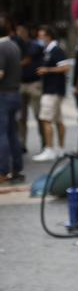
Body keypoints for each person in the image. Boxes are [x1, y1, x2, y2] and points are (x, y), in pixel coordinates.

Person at [33, 26, 70, 162]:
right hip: (52, 89)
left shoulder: (56, 50)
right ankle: (60, 148)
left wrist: (47, 70)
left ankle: (50, 148)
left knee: (45, 119)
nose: (40, 38)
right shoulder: (47, 50)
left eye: (42, 35)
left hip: (52, 90)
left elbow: (65, 67)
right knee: (58, 119)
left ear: (49, 36)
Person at [0, 21, 24, 183]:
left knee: (1, 134)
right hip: (14, 93)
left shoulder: (1, 47)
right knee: (12, 133)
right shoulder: (14, 45)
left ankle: (2, 171)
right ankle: (16, 168)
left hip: (3, 95)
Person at [15, 24, 44, 153]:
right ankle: (21, 143)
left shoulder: (34, 45)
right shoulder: (15, 45)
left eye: (22, 32)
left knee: (39, 114)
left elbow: (27, 59)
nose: (20, 34)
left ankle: (44, 143)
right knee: (21, 117)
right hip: (21, 84)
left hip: (34, 84)